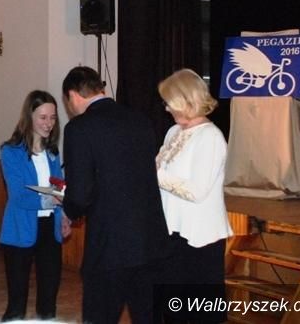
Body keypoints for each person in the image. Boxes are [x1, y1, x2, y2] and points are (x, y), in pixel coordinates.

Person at [61, 66, 170, 324]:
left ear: (73, 95)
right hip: (150, 243)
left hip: (109, 248)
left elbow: (80, 193)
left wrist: (68, 211)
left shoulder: (79, 128)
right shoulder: (141, 121)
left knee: (100, 317)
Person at [156, 69, 233, 323]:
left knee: (201, 313)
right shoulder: (173, 132)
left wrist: (155, 175)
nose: (167, 108)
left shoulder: (210, 137)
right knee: (172, 309)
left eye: (170, 102)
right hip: (173, 233)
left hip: (200, 238)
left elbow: (197, 191)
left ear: (185, 100)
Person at [0, 90, 71, 322]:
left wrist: (64, 216)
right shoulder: (10, 151)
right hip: (20, 229)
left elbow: (58, 188)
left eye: (53, 117)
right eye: (43, 117)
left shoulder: (53, 153)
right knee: (17, 303)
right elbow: (19, 196)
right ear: (29, 117)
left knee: (49, 299)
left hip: (49, 229)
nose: (49, 123)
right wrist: (52, 199)